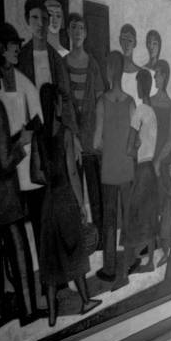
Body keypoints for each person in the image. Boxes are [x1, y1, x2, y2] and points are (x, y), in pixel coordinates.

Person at [18, 0, 80, 248]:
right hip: (33, 140)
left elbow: (65, 98)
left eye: (44, 19)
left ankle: (64, 267)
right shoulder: (22, 57)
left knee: (59, 202)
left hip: (55, 139)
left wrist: (72, 135)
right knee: (38, 203)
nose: (41, 24)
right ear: (27, 21)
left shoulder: (56, 58)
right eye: (35, 18)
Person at [38, 84, 101, 327]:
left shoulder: (38, 136)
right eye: (60, 102)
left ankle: (52, 317)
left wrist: (50, 178)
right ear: (55, 104)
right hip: (65, 199)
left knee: (52, 261)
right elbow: (73, 172)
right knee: (74, 253)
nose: (62, 106)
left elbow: (36, 173)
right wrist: (81, 204)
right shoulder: (64, 133)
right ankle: (85, 301)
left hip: (48, 203)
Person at [0, 54, 44, 329]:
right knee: (19, 251)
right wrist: (22, 142)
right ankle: (28, 312)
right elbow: (4, 161)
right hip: (5, 197)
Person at [93, 51, 135, 288]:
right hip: (127, 169)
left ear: (109, 71)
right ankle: (127, 264)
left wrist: (107, 149)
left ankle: (109, 268)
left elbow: (95, 141)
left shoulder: (101, 101)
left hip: (109, 168)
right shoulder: (130, 102)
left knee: (109, 221)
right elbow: (134, 139)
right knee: (127, 217)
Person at [64, 13, 105, 231]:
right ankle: (80, 236)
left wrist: (96, 134)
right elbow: (62, 101)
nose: (77, 32)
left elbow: (100, 99)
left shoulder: (93, 64)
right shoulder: (63, 64)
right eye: (74, 28)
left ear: (86, 33)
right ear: (68, 32)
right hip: (72, 136)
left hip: (91, 136)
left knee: (95, 188)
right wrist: (72, 133)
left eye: (81, 28)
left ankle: (99, 237)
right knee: (74, 186)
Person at [123, 69, 158, 276]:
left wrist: (133, 145)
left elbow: (129, 148)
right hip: (151, 169)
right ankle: (150, 261)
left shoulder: (139, 110)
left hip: (142, 168)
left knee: (133, 214)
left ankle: (134, 258)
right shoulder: (152, 111)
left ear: (140, 85)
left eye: (138, 83)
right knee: (150, 215)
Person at [151, 60, 171, 176]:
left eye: (157, 73)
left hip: (164, 161)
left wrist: (158, 161)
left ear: (164, 76)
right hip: (147, 157)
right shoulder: (149, 102)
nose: (154, 76)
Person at [119, 24, 141, 105]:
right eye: (124, 39)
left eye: (130, 41)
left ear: (135, 43)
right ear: (120, 41)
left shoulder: (141, 72)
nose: (127, 45)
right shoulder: (116, 71)